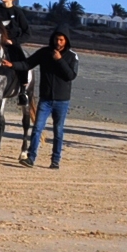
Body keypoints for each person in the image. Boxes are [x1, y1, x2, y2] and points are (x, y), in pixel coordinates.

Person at [11, 28, 79, 168]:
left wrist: (59, 60)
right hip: (45, 99)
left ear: (66, 41)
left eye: (61, 40)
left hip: (62, 100)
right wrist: (12, 65)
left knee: (58, 131)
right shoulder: (44, 52)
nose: (58, 42)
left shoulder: (72, 56)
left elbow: (70, 76)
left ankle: (55, 161)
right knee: (37, 128)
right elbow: (27, 64)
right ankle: (31, 158)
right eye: (56, 39)